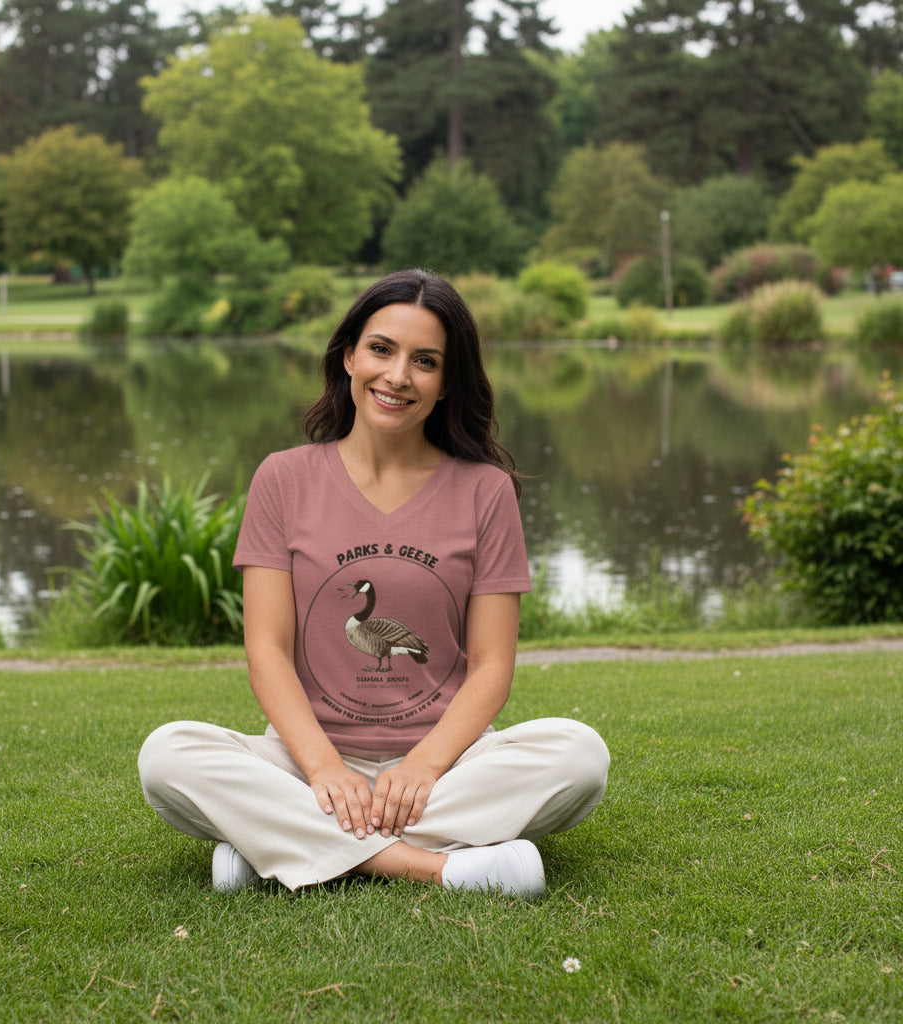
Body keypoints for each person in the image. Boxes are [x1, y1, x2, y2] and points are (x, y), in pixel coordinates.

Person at [138, 269, 609, 898]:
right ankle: (435, 867)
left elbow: (493, 665)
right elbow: (267, 649)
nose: (398, 376)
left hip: (448, 763)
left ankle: (274, 847)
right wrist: (325, 767)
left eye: (426, 361)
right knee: (167, 755)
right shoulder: (283, 479)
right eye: (382, 349)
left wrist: (424, 764)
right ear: (348, 357)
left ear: (446, 384)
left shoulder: (485, 490)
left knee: (579, 755)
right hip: (307, 762)